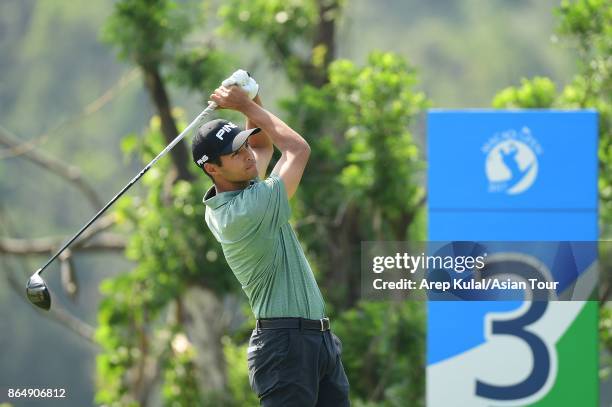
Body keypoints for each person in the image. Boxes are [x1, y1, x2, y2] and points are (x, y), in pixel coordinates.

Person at [191, 77, 350, 406]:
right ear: (212, 169)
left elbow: (263, 145)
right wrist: (244, 105)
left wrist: (251, 92)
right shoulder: (244, 212)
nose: (248, 155)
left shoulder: (239, 187)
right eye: (235, 153)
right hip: (285, 346)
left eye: (243, 144)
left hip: (316, 342)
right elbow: (297, 150)